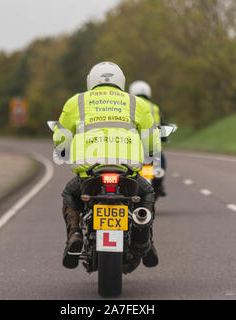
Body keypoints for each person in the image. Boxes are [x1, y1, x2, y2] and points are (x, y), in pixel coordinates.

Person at [53, 62, 161, 272]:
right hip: (127, 172)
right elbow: (152, 142)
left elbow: (61, 137)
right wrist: (149, 155)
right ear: (121, 82)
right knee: (147, 192)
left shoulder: (77, 101)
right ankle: (143, 239)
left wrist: (63, 150)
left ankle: (74, 234)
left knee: (70, 194)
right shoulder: (136, 103)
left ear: (91, 81)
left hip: (89, 173)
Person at [129, 80, 167, 197]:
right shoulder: (154, 108)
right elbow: (162, 125)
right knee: (161, 162)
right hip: (150, 149)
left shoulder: (128, 105)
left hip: (131, 147)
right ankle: (158, 185)